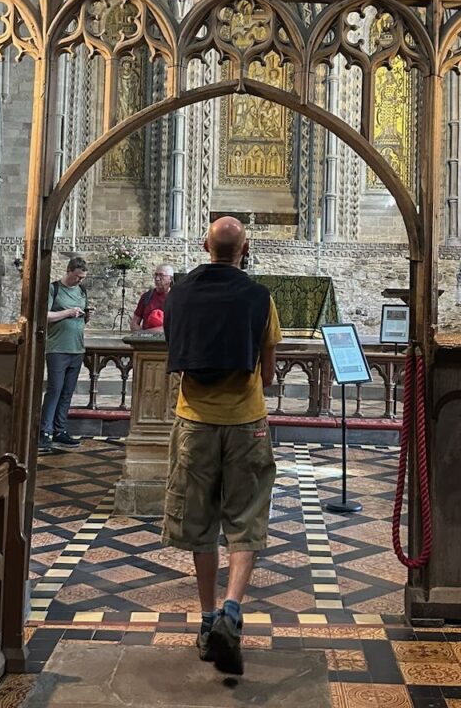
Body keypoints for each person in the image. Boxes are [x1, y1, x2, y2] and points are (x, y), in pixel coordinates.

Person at [162, 216, 281, 676]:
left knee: (202, 520)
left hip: (195, 423)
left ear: (203, 245)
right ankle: (233, 610)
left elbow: (177, 348)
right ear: (244, 249)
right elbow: (268, 375)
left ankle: (208, 618)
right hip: (246, 422)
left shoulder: (180, 294)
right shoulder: (259, 298)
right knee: (244, 518)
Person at [39, 256, 94, 455]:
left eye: (82, 278)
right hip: (57, 348)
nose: (80, 280)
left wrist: (85, 316)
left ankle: (60, 430)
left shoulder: (82, 291)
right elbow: (44, 316)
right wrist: (68, 312)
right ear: (69, 271)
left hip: (76, 348)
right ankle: (44, 432)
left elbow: (80, 321)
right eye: (78, 277)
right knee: (55, 389)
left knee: (67, 392)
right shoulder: (55, 288)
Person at [130, 264, 174, 331]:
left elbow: (175, 326)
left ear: (170, 278)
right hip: (146, 339)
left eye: (161, 275)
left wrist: (149, 333)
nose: (157, 279)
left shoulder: (175, 298)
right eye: (156, 275)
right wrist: (142, 335)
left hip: (167, 340)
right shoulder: (146, 297)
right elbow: (134, 324)